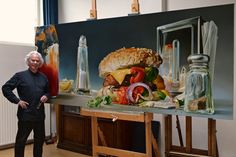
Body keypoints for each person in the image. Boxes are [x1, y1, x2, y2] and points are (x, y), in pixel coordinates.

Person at [2, 51, 50, 157]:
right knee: (21, 142)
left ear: (40, 63)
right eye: (33, 60)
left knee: (39, 141)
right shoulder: (20, 76)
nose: (35, 62)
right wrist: (17, 101)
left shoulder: (43, 77)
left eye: (37, 61)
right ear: (28, 62)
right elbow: (6, 88)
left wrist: (46, 95)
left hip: (39, 116)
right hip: (25, 115)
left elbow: (48, 91)